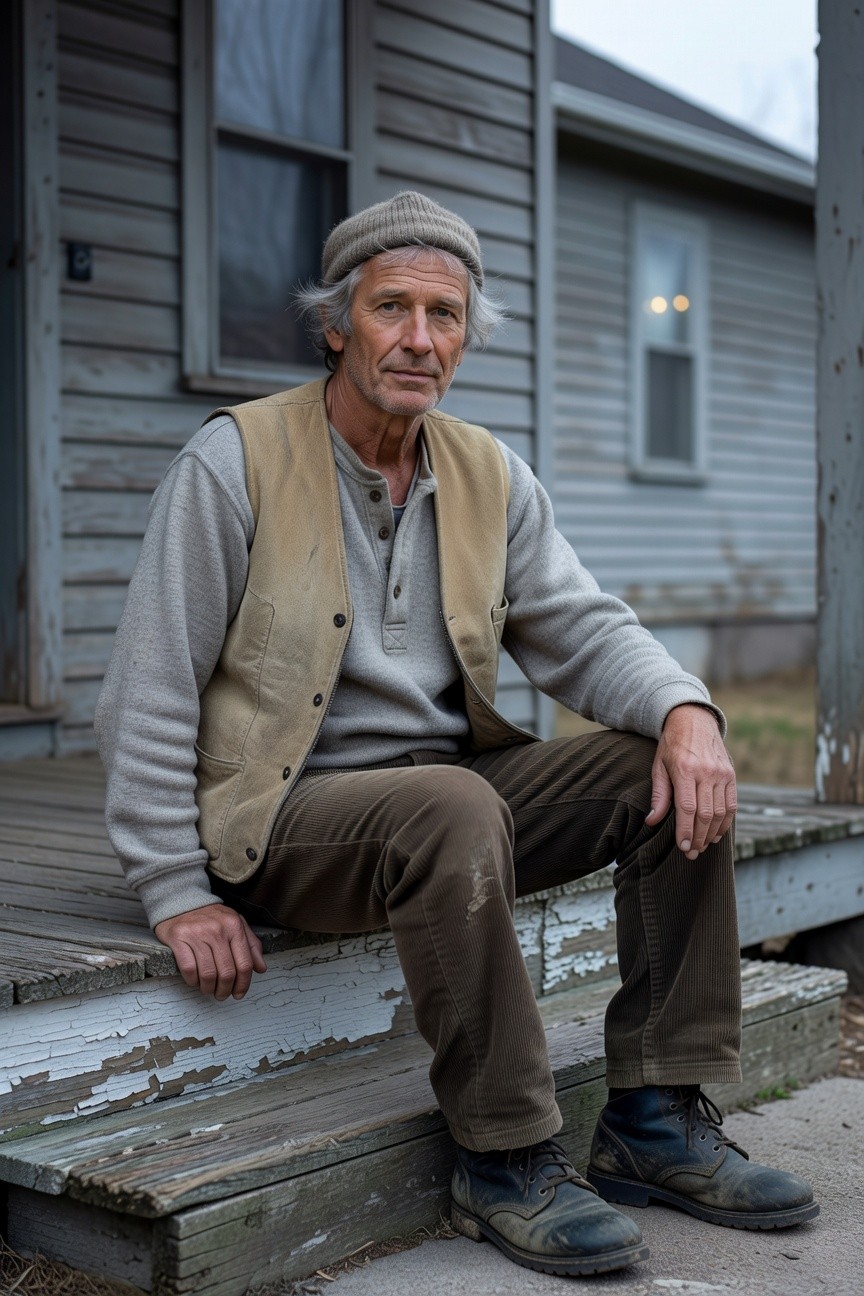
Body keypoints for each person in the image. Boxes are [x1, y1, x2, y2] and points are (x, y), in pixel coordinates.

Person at [96, 190, 817, 1278]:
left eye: (446, 315)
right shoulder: (234, 461)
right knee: (452, 801)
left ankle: (656, 1120)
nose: (420, 339)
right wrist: (174, 888)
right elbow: (148, 687)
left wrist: (686, 712)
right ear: (336, 324)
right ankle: (505, 1156)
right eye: (392, 307)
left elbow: (583, 629)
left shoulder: (487, 472)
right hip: (282, 817)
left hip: (448, 801)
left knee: (657, 773)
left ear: (468, 336)